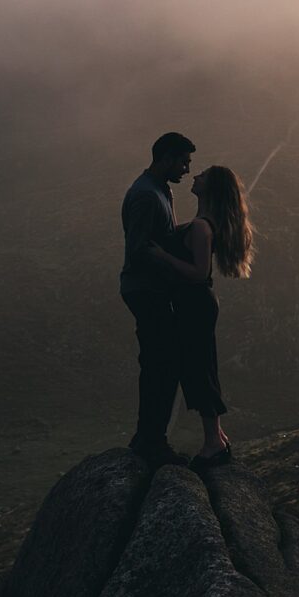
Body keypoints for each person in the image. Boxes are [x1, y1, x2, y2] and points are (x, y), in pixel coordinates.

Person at [150, 164, 254, 470]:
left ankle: (212, 444)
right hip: (197, 304)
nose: (195, 176)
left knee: (198, 368)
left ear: (210, 188)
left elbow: (198, 273)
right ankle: (217, 438)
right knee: (201, 364)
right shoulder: (205, 223)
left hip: (193, 303)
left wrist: (162, 256)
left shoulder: (200, 227)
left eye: (203, 175)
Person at [120, 131, 196, 467]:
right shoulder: (147, 196)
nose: (187, 168)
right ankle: (151, 441)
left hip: (150, 290)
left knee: (160, 364)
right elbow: (140, 250)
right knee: (161, 365)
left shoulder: (158, 190)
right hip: (146, 291)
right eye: (183, 161)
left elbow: (158, 239)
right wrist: (175, 265)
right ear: (165, 158)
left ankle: (149, 437)